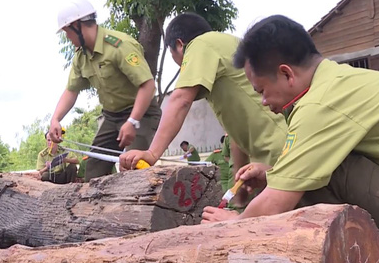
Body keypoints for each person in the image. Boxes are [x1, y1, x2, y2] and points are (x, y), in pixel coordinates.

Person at [202, 14, 379, 263]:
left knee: (324, 174)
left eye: (262, 91)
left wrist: (234, 225)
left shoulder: (320, 104)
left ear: (286, 73)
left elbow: (274, 205)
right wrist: (272, 176)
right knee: (316, 170)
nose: (264, 102)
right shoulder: (340, 82)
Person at [119, 12, 287, 176]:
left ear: (179, 44)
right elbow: (237, 133)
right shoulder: (225, 49)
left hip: (277, 148)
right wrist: (238, 176)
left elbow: (180, 100)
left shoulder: (200, 44)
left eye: (172, 54)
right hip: (270, 152)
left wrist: (152, 153)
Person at [49, 0, 161, 181]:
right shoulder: (80, 57)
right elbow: (71, 91)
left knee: (135, 166)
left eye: (67, 32)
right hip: (111, 117)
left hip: (141, 114)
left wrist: (132, 121)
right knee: (93, 169)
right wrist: (55, 119)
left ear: (77, 26)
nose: (67, 38)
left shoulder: (120, 46)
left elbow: (147, 85)